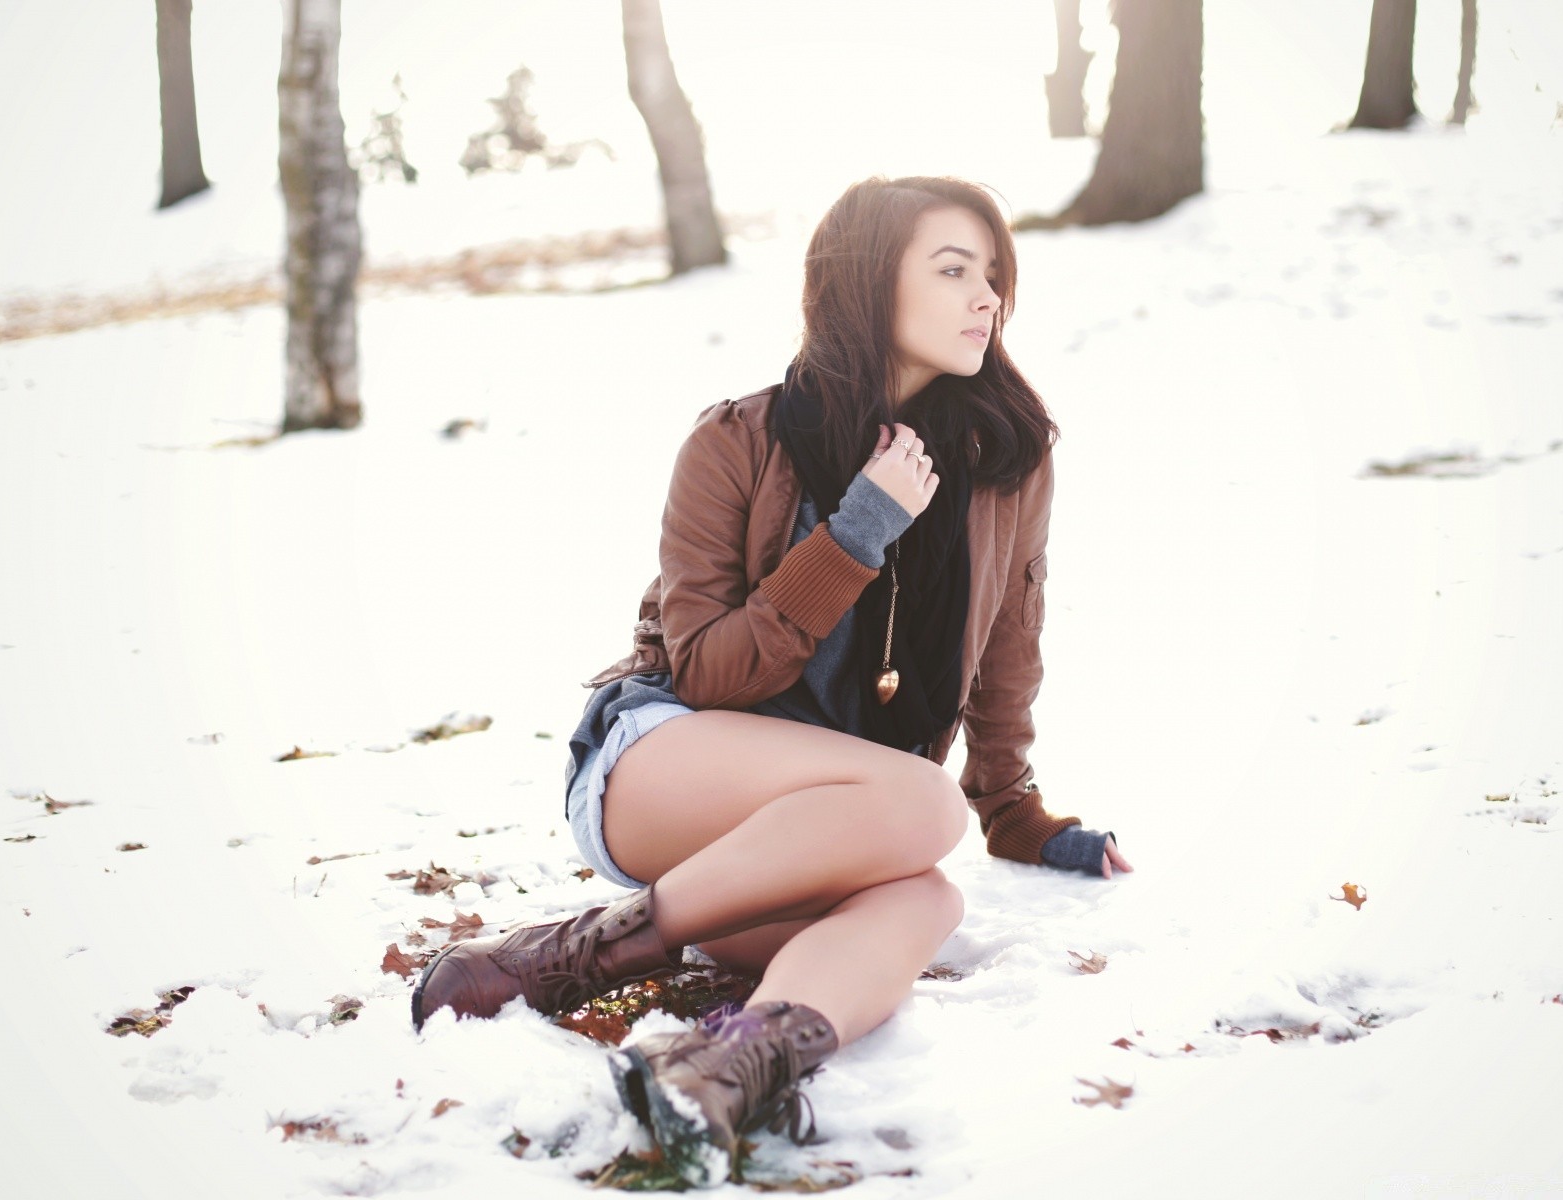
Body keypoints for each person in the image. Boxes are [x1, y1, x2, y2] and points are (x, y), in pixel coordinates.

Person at [411, 176, 1133, 1186]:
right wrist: (856, 534)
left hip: (840, 821)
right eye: (955, 270)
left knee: (927, 900)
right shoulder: (736, 442)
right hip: (662, 766)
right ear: (868, 284)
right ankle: (579, 952)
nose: (989, 299)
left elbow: (1012, 643)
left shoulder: (1005, 462)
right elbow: (704, 668)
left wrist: (1014, 809)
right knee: (923, 810)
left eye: (995, 276)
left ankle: (725, 1069)